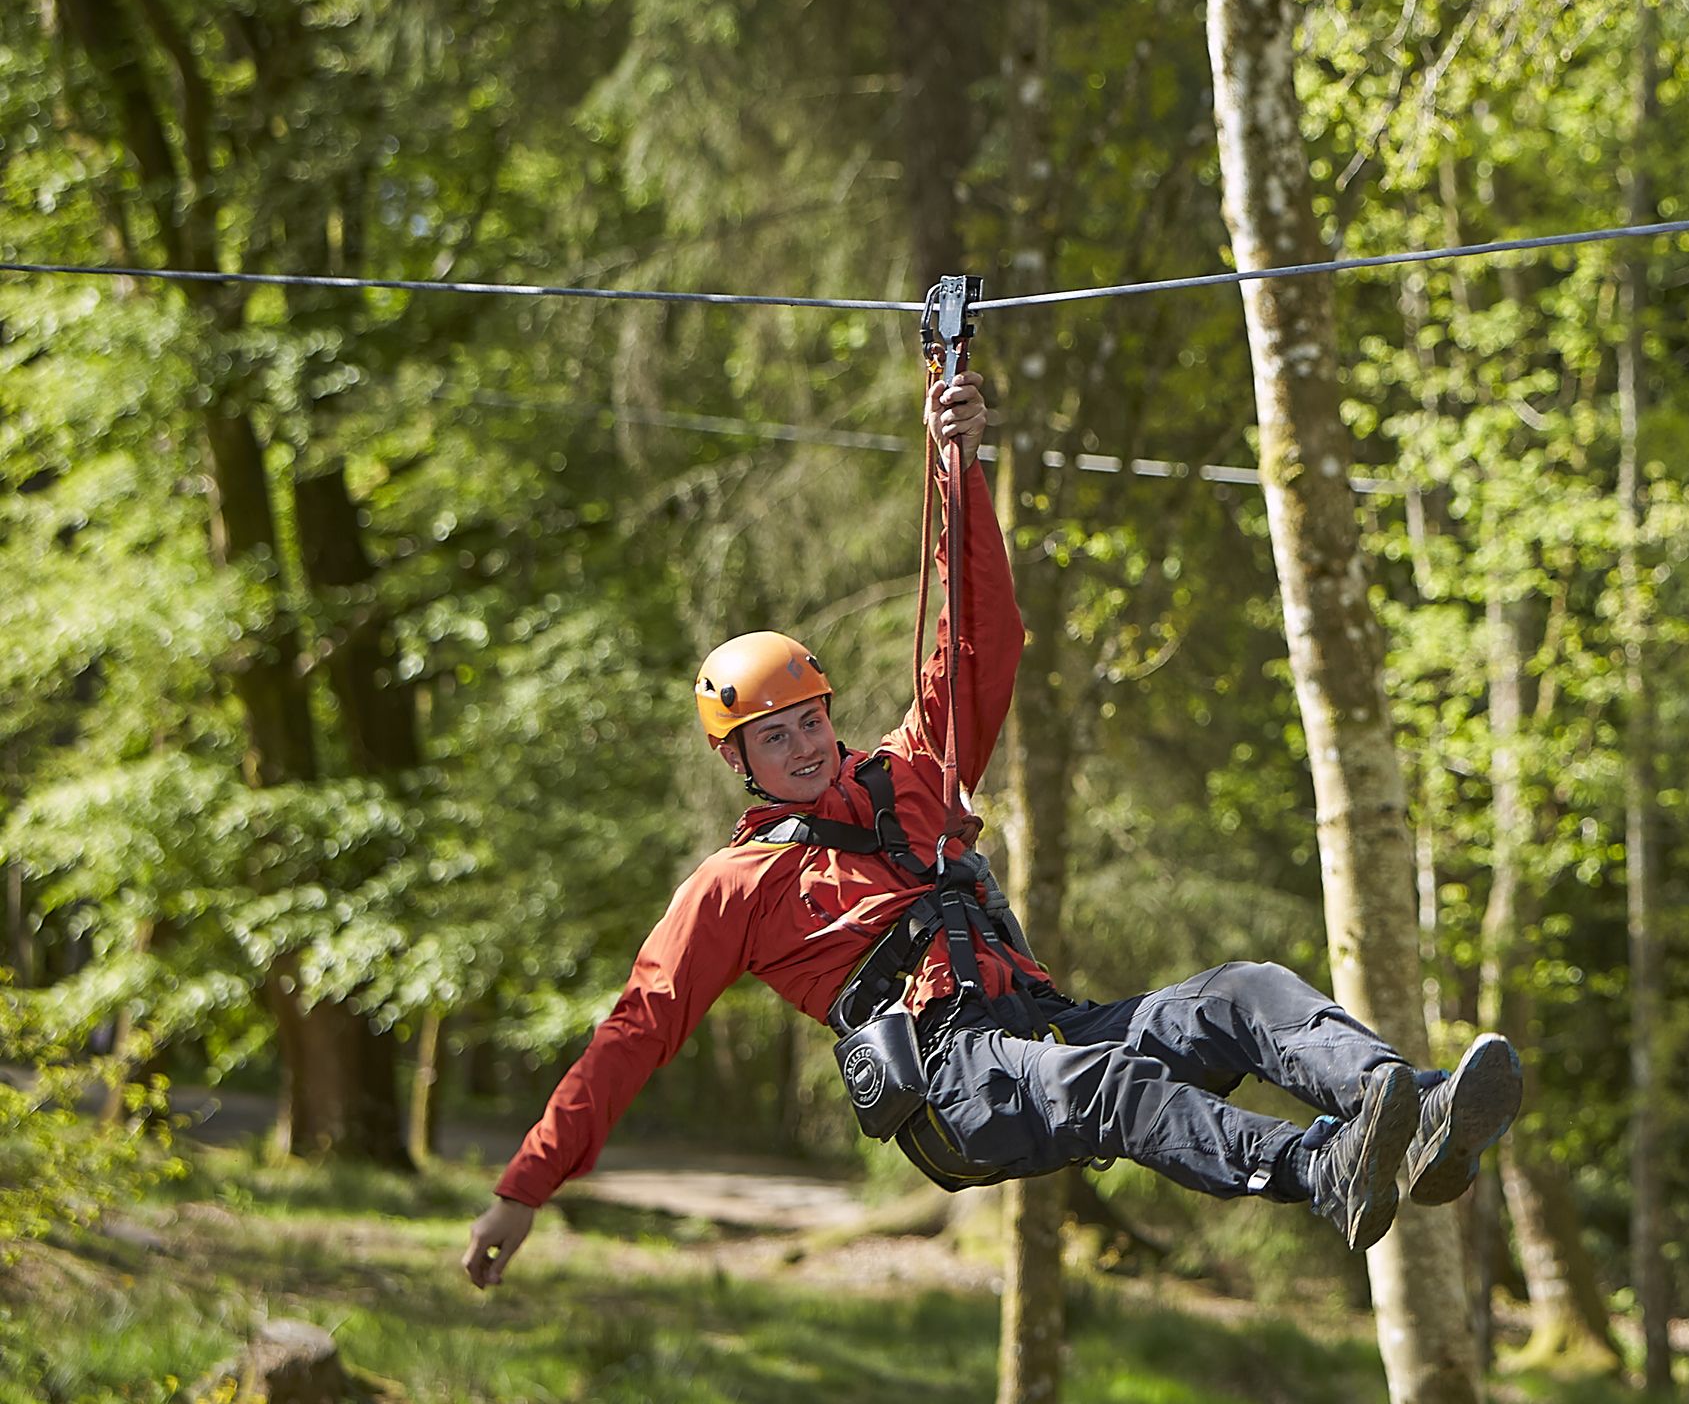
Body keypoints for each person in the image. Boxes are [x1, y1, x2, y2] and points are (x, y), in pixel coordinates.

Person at [460, 358, 1517, 1290]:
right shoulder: (735, 888)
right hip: (955, 1087)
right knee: (1110, 1085)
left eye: (810, 719)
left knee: (1242, 995)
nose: (803, 745)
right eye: (772, 737)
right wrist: (525, 1188)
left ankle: (1408, 1108)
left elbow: (981, 639)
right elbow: (633, 1035)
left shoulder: (910, 777)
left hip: (1044, 1028)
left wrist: (957, 468)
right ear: (735, 760)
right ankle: (1318, 1168)